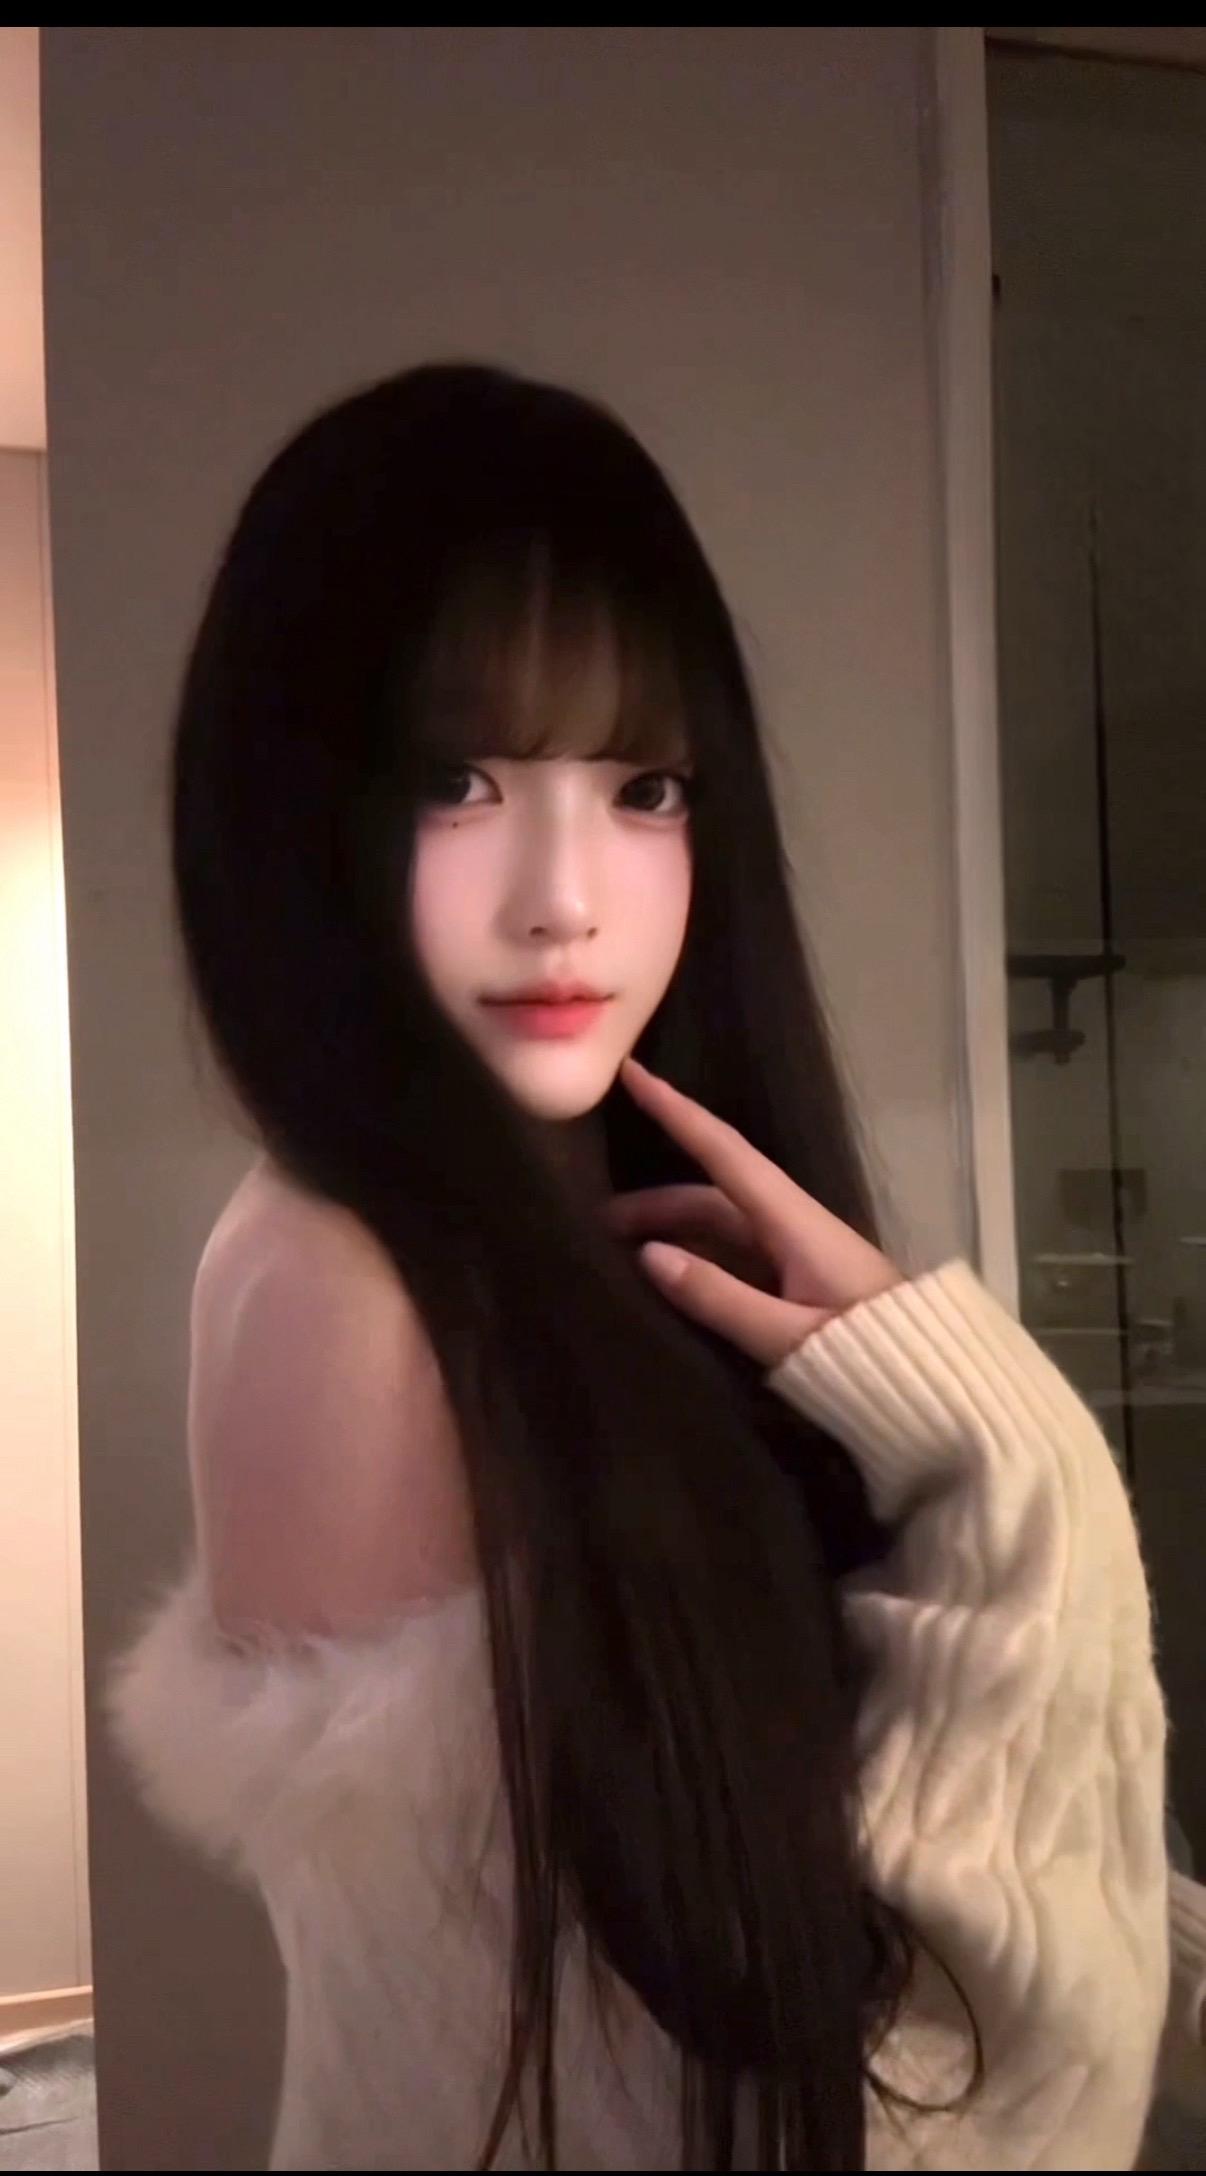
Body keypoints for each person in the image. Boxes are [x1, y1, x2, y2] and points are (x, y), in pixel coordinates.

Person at [108, 363, 1170, 2171]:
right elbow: (777, 2121)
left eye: (645, 787)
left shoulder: (582, 1218)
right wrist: (1013, 1470)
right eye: (457, 780)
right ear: (290, 806)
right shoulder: (343, 1295)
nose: (565, 899)